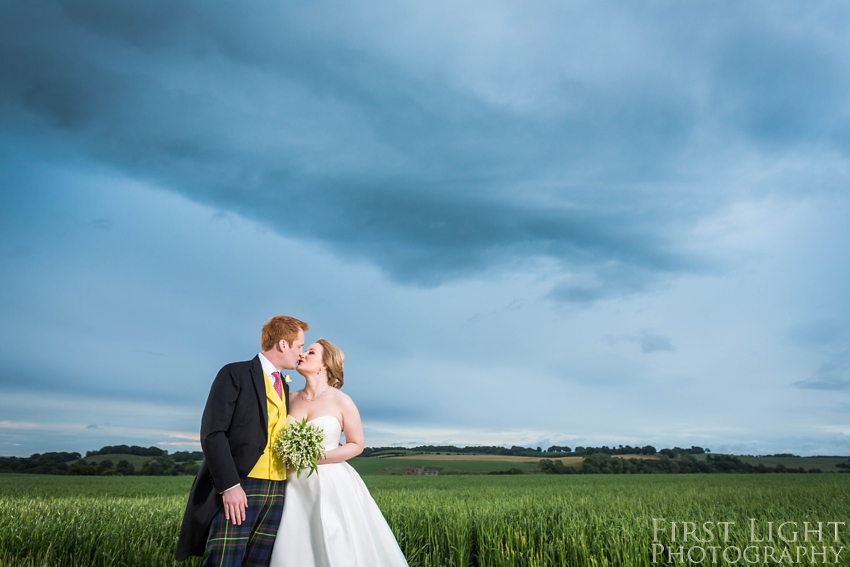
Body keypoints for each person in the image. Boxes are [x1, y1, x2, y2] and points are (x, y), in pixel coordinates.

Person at [175, 315, 309, 566]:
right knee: (225, 561)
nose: (301, 353)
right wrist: (229, 486)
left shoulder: (284, 383)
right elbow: (213, 433)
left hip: (277, 489)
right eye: (299, 345)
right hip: (242, 486)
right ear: (283, 344)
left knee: (258, 563)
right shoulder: (234, 373)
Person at [269, 338, 409, 567]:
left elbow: (356, 444)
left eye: (311, 352)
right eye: (303, 350)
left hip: (330, 485)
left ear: (325, 364)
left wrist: (315, 458)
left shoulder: (342, 401)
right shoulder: (288, 399)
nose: (302, 354)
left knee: (335, 544)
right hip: (291, 485)